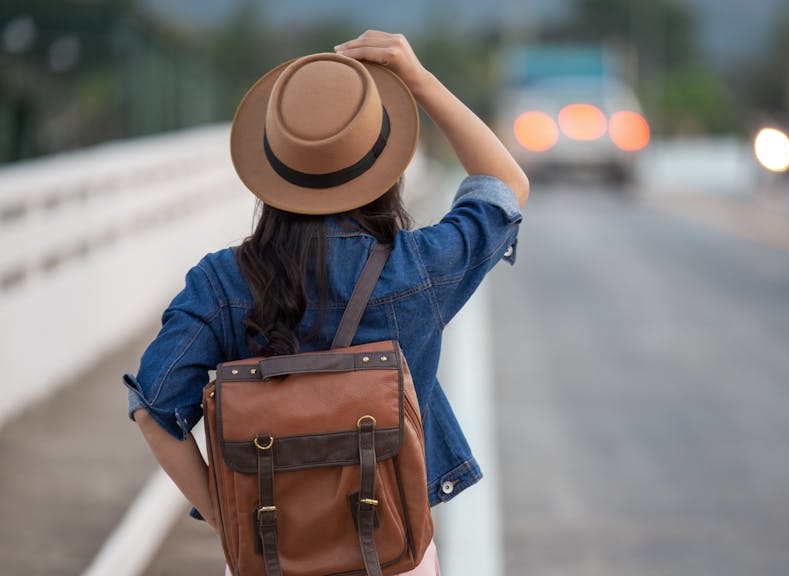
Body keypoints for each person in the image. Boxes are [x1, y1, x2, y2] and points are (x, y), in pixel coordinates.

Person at [123, 30, 528, 575]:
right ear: (385, 167)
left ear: (272, 168)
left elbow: (153, 407)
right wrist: (419, 80)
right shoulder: (419, 268)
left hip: (269, 554)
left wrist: (230, 523)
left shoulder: (221, 282)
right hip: (390, 554)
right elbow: (504, 184)